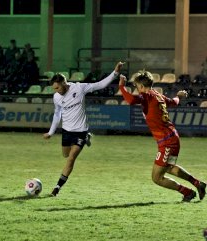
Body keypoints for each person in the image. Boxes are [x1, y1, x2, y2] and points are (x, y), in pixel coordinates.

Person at [118, 71, 206, 202]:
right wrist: (179, 96)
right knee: (169, 167)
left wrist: (121, 87)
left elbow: (130, 100)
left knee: (157, 177)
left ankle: (187, 192)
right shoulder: (157, 95)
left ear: (141, 86)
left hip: (167, 141)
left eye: (137, 87)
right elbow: (173, 102)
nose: (137, 90)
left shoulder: (146, 95)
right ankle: (197, 184)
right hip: (171, 137)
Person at [44, 62, 124, 196]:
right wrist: (51, 132)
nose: (57, 91)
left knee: (71, 159)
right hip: (66, 131)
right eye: (54, 89)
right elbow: (57, 114)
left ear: (64, 83)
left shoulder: (79, 88)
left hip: (80, 130)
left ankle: (57, 188)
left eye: (58, 87)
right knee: (65, 155)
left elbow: (100, 84)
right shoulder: (56, 97)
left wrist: (115, 73)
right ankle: (87, 138)